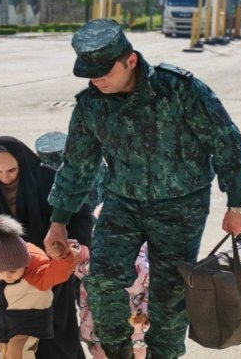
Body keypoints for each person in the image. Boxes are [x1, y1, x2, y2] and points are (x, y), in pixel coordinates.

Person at [44, 19, 241, 359]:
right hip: (122, 202)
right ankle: (117, 355)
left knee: (169, 299)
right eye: (90, 74)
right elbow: (79, 165)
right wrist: (58, 220)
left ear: (130, 60)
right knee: (102, 282)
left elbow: (226, 143)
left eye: (104, 72)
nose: (97, 80)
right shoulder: (90, 104)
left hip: (181, 206)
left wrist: (239, 205)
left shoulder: (180, 90)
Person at [0, 136, 93, 359]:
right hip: (5, 284)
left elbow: (79, 213)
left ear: (22, 163)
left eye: (12, 170)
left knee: (58, 343)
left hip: (47, 276)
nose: (5, 178)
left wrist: (68, 247)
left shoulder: (46, 180)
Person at [35, 131, 149, 359]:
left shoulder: (84, 170)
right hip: (87, 256)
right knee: (94, 315)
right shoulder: (95, 166)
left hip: (100, 251)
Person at [0, 214, 88, 358]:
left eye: (12, 271)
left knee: (18, 351)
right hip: (2, 325)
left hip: (31, 322)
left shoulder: (37, 276)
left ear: (25, 263)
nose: (6, 275)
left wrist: (62, 257)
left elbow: (58, 273)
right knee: (5, 353)